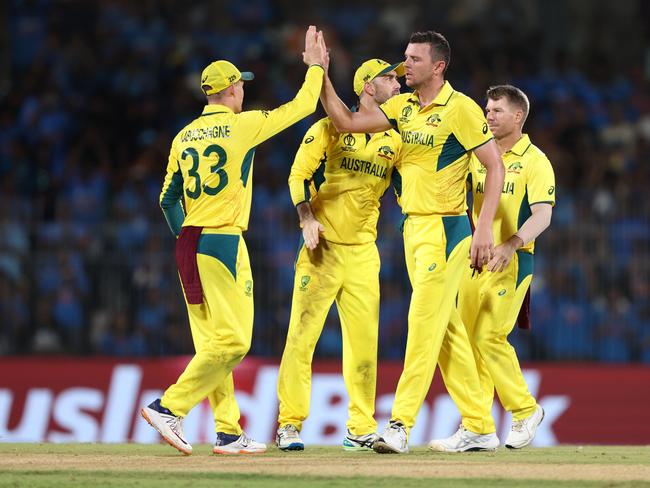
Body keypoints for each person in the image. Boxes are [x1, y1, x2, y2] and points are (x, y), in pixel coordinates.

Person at [140, 26, 328, 456]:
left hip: (187, 242)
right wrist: (316, 68)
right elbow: (301, 106)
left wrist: (189, 235)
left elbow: (167, 200)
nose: (243, 89)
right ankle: (169, 406)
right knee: (235, 342)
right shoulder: (243, 126)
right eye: (240, 84)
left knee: (212, 344)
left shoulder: (183, 136)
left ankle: (227, 431)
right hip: (222, 242)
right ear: (229, 90)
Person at [319, 30, 505, 454]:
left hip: (447, 229)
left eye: (415, 60)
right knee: (445, 330)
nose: (405, 67)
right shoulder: (401, 106)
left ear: (438, 66)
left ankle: (400, 424)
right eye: (404, 58)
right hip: (413, 230)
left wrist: (485, 227)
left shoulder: (461, 109)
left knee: (422, 324)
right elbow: (345, 122)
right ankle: (479, 426)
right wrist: (321, 73)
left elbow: (494, 166)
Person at [275, 59, 404, 452]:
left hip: (365, 252)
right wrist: (306, 219)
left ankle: (360, 427)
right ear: (368, 86)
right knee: (302, 336)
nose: (397, 85)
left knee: (364, 343)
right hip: (322, 248)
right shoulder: (328, 128)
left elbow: (406, 190)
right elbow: (297, 175)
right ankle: (289, 424)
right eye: (389, 78)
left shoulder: (395, 139)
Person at [429, 85, 554, 451]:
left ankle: (524, 409)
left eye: (497, 110)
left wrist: (512, 244)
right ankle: (477, 427)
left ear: (518, 116)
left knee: (489, 336)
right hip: (475, 259)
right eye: (487, 109)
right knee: (469, 342)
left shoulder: (535, 161)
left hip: (514, 261)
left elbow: (543, 214)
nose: (488, 114)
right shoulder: (477, 155)